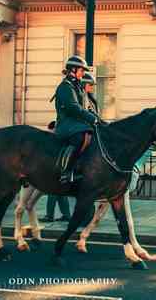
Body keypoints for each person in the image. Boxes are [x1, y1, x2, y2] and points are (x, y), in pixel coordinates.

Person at [52, 55, 101, 184]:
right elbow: (73, 107)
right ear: (73, 69)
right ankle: (66, 172)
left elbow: (84, 107)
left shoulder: (76, 86)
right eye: (81, 70)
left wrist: (97, 119)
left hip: (75, 123)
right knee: (80, 138)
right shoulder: (66, 86)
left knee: (95, 134)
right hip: (66, 124)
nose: (83, 73)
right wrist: (92, 119)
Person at [40, 121, 72, 222]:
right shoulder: (62, 137)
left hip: (57, 170)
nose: (51, 134)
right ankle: (66, 215)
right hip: (61, 170)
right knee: (61, 194)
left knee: (52, 192)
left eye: (51, 131)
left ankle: (49, 216)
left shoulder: (59, 139)